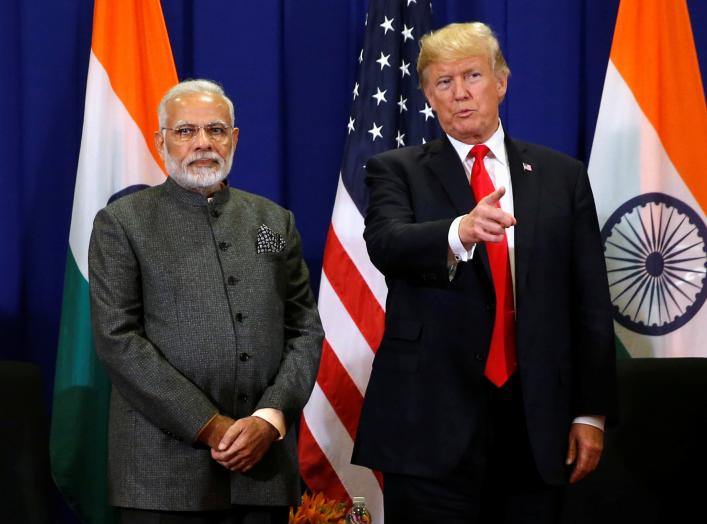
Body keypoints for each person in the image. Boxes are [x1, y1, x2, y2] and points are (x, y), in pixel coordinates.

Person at [352, 22, 616, 523]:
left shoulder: (562, 175)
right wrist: (460, 231)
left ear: (501, 81)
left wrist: (590, 411)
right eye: (443, 82)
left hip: (537, 419)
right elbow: (386, 244)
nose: (460, 93)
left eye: (472, 75)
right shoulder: (395, 169)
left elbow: (589, 301)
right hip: (429, 421)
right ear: (428, 95)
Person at [89, 79, 324, 524]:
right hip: (161, 478)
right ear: (161, 141)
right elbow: (117, 339)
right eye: (185, 131)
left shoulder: (272, 222)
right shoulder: (122, 223)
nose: (203, 143)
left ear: (234, 139)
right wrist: (210, 426)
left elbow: (304, 329)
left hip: (263, 470)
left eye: (215, 130)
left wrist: (269, 419)